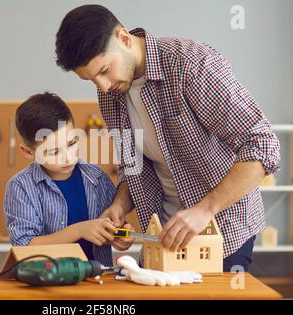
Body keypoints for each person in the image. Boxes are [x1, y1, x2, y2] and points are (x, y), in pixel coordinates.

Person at [55, 5, 281, 271]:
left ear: (124, 38)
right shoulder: (111, 95)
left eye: (104, 71)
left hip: (221, 233)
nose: (103, 86)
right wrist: (118, 207)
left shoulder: (191, 65)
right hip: (162, 236)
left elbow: (263, 145)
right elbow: (133, 166)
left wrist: (204, 210)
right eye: (91, 80)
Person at [3, 92, 134, 266]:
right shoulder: (21, 187)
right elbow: (24, 246)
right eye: (54, 151)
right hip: (48, 284)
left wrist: (121, 235)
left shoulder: (96, 177)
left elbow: (113, 224)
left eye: (72, 143)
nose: (68, 157)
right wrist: (79, 230)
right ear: (28, 152)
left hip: (97, 283)